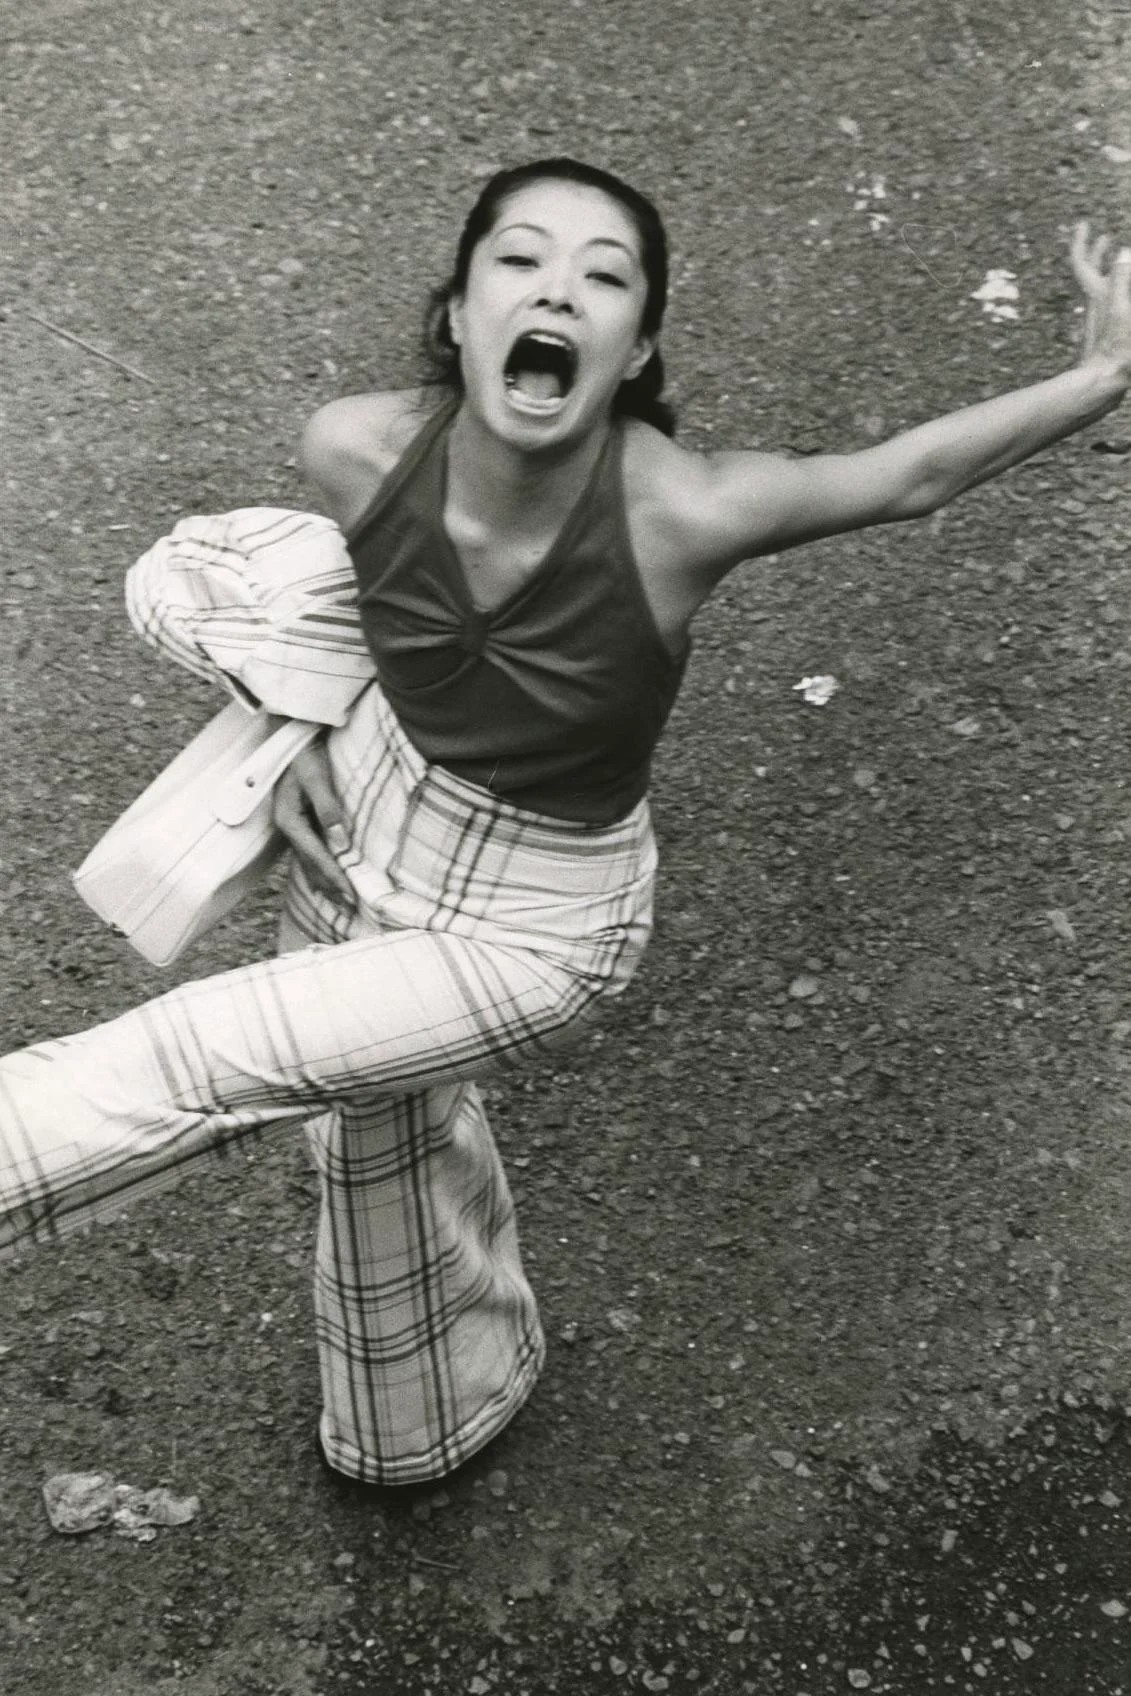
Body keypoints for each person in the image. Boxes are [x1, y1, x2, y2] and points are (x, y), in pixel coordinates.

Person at [1, 159, 1128, 1488]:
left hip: (535, 927)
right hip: (371, 811)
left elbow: (906, 478)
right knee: (372, 1136)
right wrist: (292, 712)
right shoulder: (356, 446)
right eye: (521, 260)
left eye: (604, 278)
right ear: (458, 315)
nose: (557, 292)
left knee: (200, 1054)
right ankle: (429, 1418)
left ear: (634, 349)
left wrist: (1101, 378)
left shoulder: (679, 512)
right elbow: (262, 592)